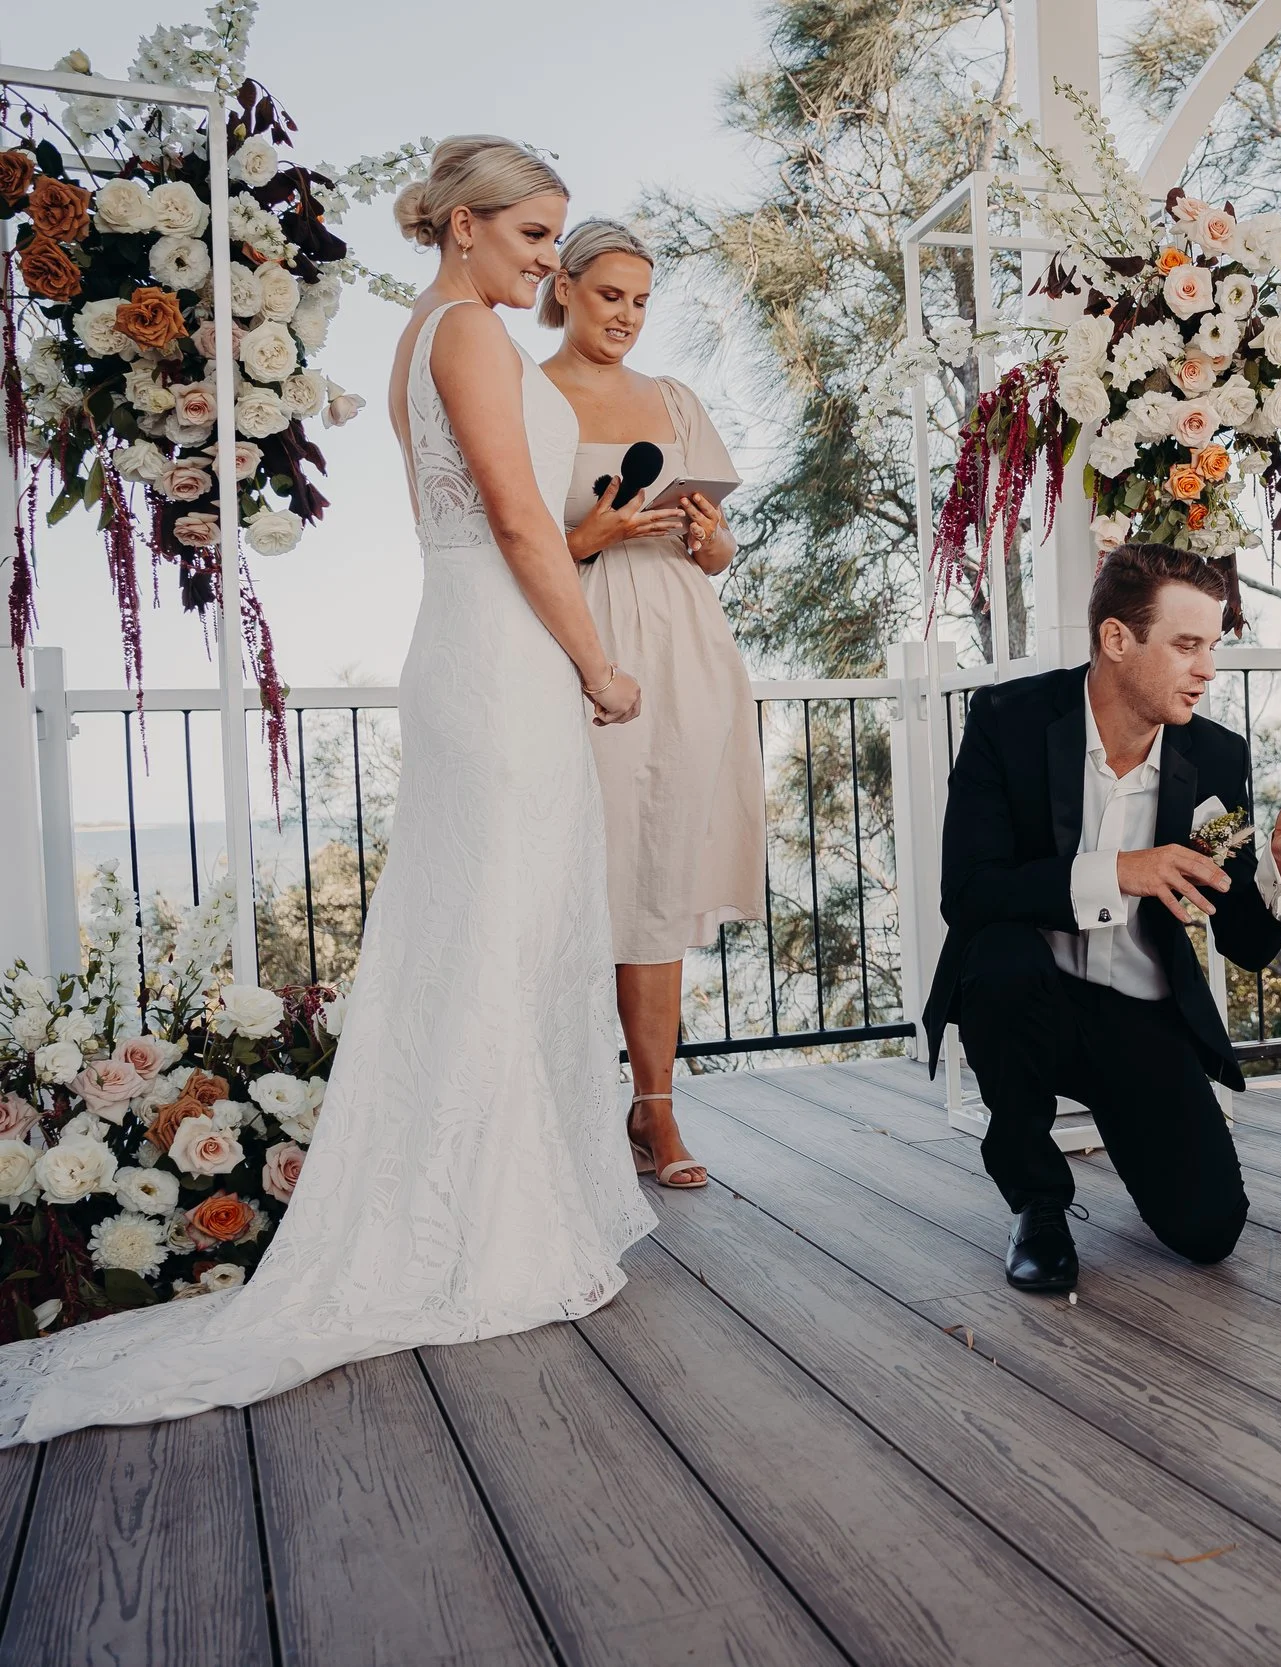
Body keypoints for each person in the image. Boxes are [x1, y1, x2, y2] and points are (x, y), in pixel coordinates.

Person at [0, 138, 654, 1446]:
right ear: (463, 228)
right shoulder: (464, 333)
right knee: (496, 932)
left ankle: (490, 1203)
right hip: (509, 646)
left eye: (552, 240)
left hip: (478, 638)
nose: (547, 263)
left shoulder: (433, 331)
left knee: (496, 930)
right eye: (530, 236)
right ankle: (481, 1230)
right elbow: (523, 525)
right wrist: (598, 660)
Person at [921, 544, 1281, 1294]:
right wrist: (1123, 871)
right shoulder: (1009, 722)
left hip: (1140, 1015)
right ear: (1117, 639)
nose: (1208, 670)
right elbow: (969, 893)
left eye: (1213, 646)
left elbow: (1246, 942)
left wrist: (1279, 859)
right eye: (1187, 645)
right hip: (1031, 996)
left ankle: (1135, 1137)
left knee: (1211, 1229)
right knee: (998, 961)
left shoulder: (1216, 756)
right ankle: (1038, 1204)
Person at [541, 219, 767, 1189]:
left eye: (640, 300)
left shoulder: (673, 399)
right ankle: (559, 1103)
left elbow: (718, 555)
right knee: (576, 870)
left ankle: (657, 1113)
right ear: (563, 286)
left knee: (657, 877)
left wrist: (707, 535)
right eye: (608, 296)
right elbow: (514, 539)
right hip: (579, 634)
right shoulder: (529, 395)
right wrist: (592, 532)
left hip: (681, 639)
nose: (626, 316)